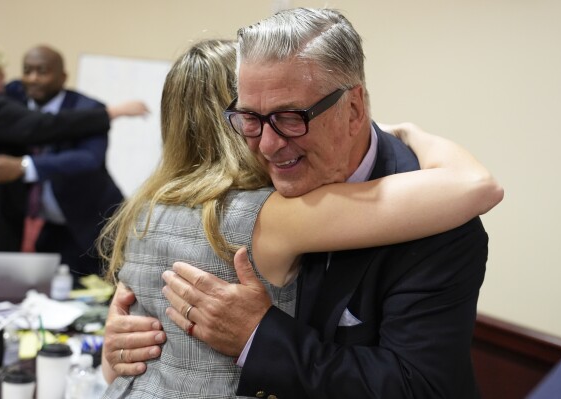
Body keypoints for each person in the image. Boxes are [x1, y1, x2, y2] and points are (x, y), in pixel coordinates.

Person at [99, 37, 503, 398]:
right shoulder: (271, 214)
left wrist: (113, 349)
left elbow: (116, 367)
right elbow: (473, 185)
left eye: (287, 116)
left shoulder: (144, 209)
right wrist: (414, 132)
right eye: (253, 120)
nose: (270, 141)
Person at [0, 38, 147, 251]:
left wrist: (23, 166)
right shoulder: (11, 96)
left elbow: (88, 159)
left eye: (42, 71)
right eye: (27, 71)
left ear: (63, 77)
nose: (33, 78)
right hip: (45, 226)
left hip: (93, 223)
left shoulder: (89, 110)